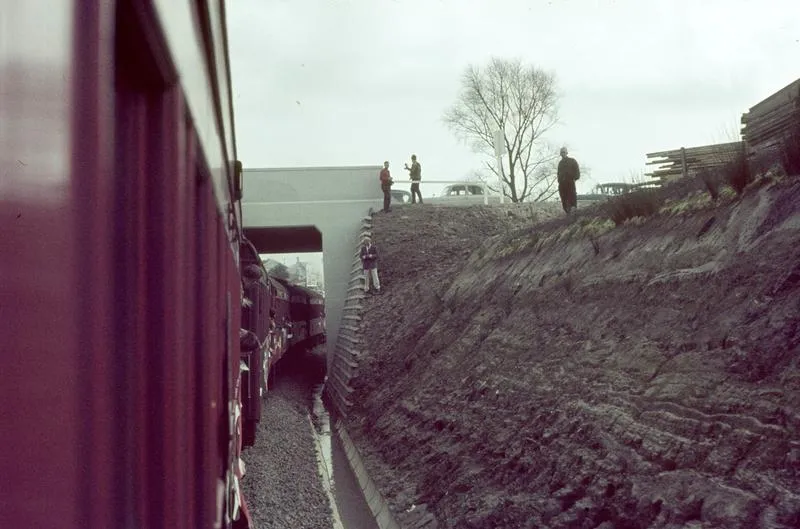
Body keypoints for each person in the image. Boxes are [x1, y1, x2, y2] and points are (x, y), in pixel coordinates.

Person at [557, 147, 580, 214]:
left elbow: (577, 172)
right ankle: (567, 214)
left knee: (572, 200)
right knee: (564, 201)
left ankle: (573, 214)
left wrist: (573, 179)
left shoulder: (572, 161)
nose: (563, 154)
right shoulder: (560, 163)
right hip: (562, 185)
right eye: (562, 152)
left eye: (564, 152)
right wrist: (559, 180)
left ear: (567, 153)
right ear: (560, 154)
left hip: (570, 183)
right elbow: (558, 173)